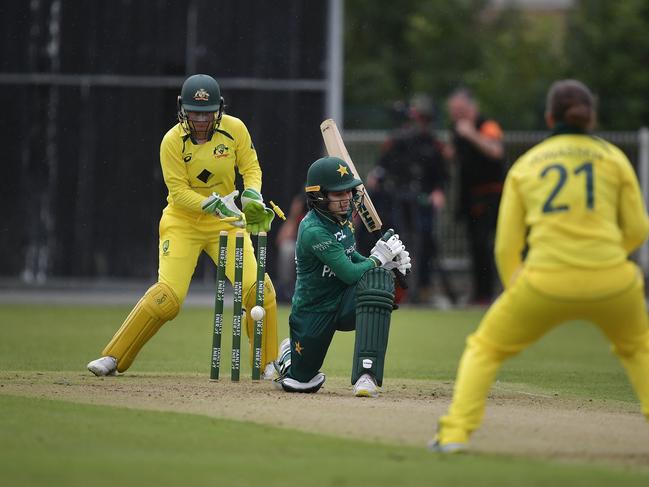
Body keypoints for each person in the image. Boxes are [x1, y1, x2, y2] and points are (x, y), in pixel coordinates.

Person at [430, 80, 649, 453]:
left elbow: (507, 244)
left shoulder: (529, 163)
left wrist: (516, 282)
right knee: (639, 350)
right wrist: (609, 256)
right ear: (591, 118)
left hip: (544, 280)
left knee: (485, 349)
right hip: (613, 281)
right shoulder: (614, 158)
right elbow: (639, 229)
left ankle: (454, 435)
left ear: (549, 118)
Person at [87, 74, 278, 378]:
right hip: (182, 223)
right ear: (182, 110)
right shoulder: (171, 141)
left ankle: (268, 363)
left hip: (226, 224)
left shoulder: (235, 129)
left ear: (219, 109)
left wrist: (253, 195)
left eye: (207, 112)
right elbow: (178, 193)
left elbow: (251, 168)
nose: (201, 119)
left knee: (259, 291)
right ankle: (113, 357)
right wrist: (211, 203)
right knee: (168, 299)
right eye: (194, 112)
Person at [272, 156, 411, 397]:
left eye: (348, 192)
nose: (346, 199)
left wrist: (386, 266)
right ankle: (288, 357)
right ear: (319, 196)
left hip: (344, 300)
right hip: (313, 310)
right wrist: (378, 258)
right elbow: (348, 273)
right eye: (338, 194)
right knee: (302, 382)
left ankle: (366, 375)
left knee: (377, 281)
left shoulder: (344, 222)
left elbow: (352, 257)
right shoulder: (314, 230)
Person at [369, 93, 456, 305]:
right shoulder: (398, 141)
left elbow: (441, 175)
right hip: (398, 198)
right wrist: (377, 177)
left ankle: (423, 288)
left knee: (425, 241)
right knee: (397, 241)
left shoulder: (432, 144)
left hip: (422, 199)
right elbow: (382, 168)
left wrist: (438, 191)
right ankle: (400, 288)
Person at [447, 89, 506, 304]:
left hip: (491, 195)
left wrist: (471, 133)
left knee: (487, 244)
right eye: (452, 111)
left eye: (459, 110)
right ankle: (478, 293)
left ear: (472, 108)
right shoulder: (457, 130)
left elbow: (496, 151)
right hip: (469, 196)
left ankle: (489, 292)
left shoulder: (487, 125)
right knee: (474, 245)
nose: (455, 116)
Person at [274, 194, 307, 302]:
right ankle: (286, 289)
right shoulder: (300, 210)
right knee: (286, 248)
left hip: (322, 244)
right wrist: (293, 217)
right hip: (301, 244)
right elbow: (281, 238)